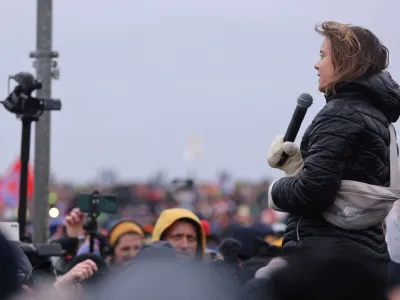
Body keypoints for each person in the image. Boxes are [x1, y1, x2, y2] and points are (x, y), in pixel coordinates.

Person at [267, 21, 400, 278]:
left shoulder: (341, 113)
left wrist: (274, 191)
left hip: (325, 261)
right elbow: (341, 183)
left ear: (345, 61)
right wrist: (298, 166)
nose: (316, 65)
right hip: (358, 256)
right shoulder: (375, 113)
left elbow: (312, 194)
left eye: (323, 55)